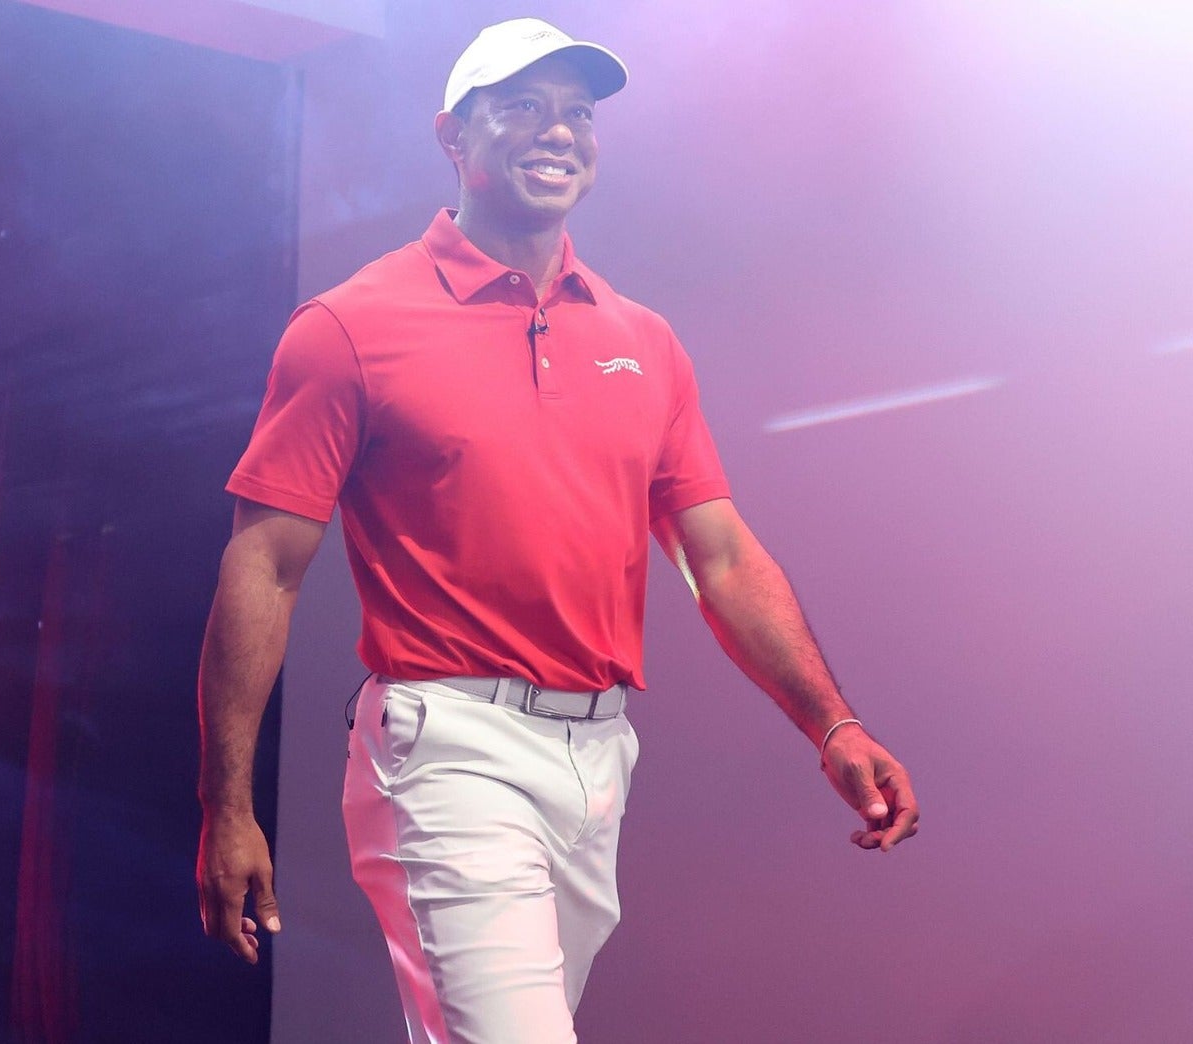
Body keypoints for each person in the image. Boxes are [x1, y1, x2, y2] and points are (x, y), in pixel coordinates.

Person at [193, 17, 919, 1043]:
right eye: (520, 107)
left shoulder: (642, 341)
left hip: (597, 761)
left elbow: (717, 559)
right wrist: (227, 805)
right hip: (446, 749)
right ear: (453, 135)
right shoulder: (352, 327)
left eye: (576, 112)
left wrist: (831, 724)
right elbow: (262, 567)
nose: (555, 131)